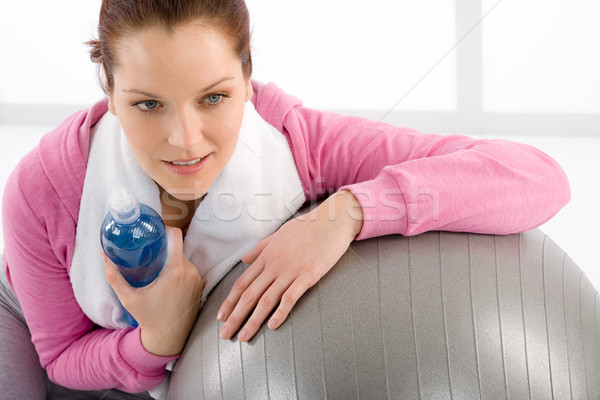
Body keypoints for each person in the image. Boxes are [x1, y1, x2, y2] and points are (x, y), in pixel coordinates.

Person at [0, 0, 571, 398]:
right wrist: (158, 340)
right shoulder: (42, 187)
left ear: (249, 79)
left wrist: (347, 212)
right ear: (109, 91)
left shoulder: (298, 141)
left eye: (214, 97)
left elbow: (535, 176)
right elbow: (61, 356)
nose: (186, 139)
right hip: (26, 323)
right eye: (149, 104)